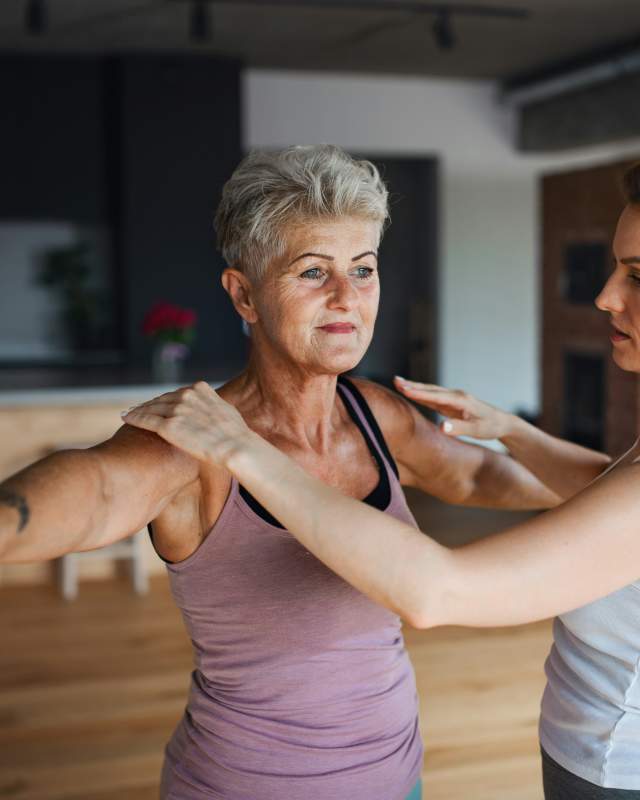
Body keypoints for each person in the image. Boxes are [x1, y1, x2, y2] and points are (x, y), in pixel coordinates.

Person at [0, 145, 557, 800]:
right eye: (313, 273)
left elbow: (474, 479)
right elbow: (95, 492)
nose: (348, 297)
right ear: (244, 294)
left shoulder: (375, 412)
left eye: (364, 269)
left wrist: (615, 488)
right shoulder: (200, 438)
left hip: (397, 777)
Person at [120, 162, 640, 800]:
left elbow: (434, 591)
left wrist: (243, 450)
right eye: (314, 271)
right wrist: (515, 431)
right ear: (243, 294)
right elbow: (612, 490)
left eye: (637, 275)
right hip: (574, 749)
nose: (606, 296)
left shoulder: (355, 416)